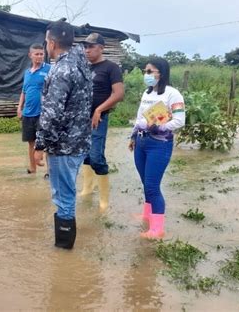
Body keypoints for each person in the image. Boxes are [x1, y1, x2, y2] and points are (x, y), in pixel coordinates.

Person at [34, 21, 92, 250]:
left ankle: (63, 250)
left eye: (47, 41)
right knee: (66, 194)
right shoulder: (81, 63)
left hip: (63, 145)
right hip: (79, 141)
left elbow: (52, 113)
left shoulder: (61, 70)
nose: (46, 46)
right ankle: (64, 248)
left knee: (63, 198)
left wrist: (40, 145)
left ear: (52, 42)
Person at [128, 57, 185, 239]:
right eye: (146, 71)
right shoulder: (147, 93)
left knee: (153, 186)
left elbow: (179, 121)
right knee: (146, 182)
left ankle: (157, 229)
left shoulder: (172, 94)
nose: (147, 75)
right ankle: (147, 215)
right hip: (141, 142)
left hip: (159, 144)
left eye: (150, 71)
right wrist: (133, 135)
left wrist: (159, 127)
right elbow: (139, 118)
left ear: (161, 73)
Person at [79, 33, 124, 213]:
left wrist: (99, 110)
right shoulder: (84, 68)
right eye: (86, 47)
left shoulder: (111, 68)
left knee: (97, 157)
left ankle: (104, 200)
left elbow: (118, 94)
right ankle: (87, 189)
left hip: (99, 118)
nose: (87, 50)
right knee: (85, 155)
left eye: (91, 47)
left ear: (101, 48)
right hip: (81, 120)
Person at [17, 44, 51, 176]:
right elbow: (24, 91)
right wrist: (20, 107)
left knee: (47, 142)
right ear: (30, 55)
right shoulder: (27, 72)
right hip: (28, 112)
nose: (39, 56)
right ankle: (32, 169)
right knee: (31, 142)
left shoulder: (49, 69)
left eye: (41, 54)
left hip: (43, 112)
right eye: (36, 54)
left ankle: (49, 171)